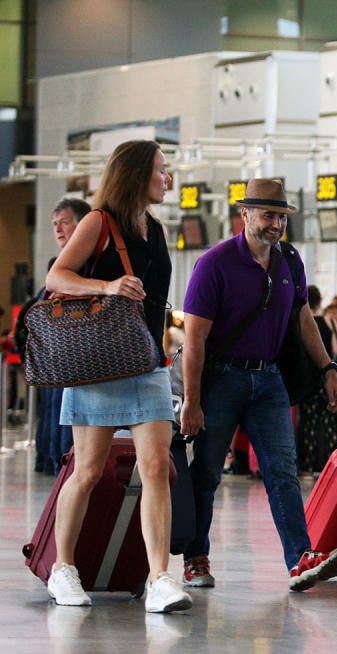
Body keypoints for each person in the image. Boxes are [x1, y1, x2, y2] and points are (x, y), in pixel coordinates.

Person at [180, 178, 337, 593]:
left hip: (269, 380)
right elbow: (195, 339)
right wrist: (192, 400)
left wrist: (328, 368)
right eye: (268, 215)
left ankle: (300, 558)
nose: (275, 224)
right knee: (205, 474)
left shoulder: (289, 259)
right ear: (246, 215)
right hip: (221, 379)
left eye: (281, 216)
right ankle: (195, 558)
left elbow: (304, 318)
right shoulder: (214, 264)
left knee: (283, 472)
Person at [44, 140, 192, 612]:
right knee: (87, 471)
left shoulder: (158, 229)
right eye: (160, 171)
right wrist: (107, 285)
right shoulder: (97, 222)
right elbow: (57, 277)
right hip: (98, 364)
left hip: (147, 364)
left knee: (156, 470)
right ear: (135, 175)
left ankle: (160, 578)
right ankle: (62, 568)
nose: (167, 179)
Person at [34, 198, 90, 475]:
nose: (58, 228)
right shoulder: (58, 267)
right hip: (57, 358)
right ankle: (53, 463)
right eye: (54, 223)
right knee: (56, 416)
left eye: (64, 222)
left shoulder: (89, 266)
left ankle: (59, 464)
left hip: (80, 360)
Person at [296, 285, 337, 475]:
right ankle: (330, 465)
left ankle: (306, 466)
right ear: (320, 301)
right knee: (329, 422)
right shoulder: (329, 322)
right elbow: (336, 350)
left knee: (307, 423)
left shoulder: (300, 322)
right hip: (326, 376)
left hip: (306, 378)